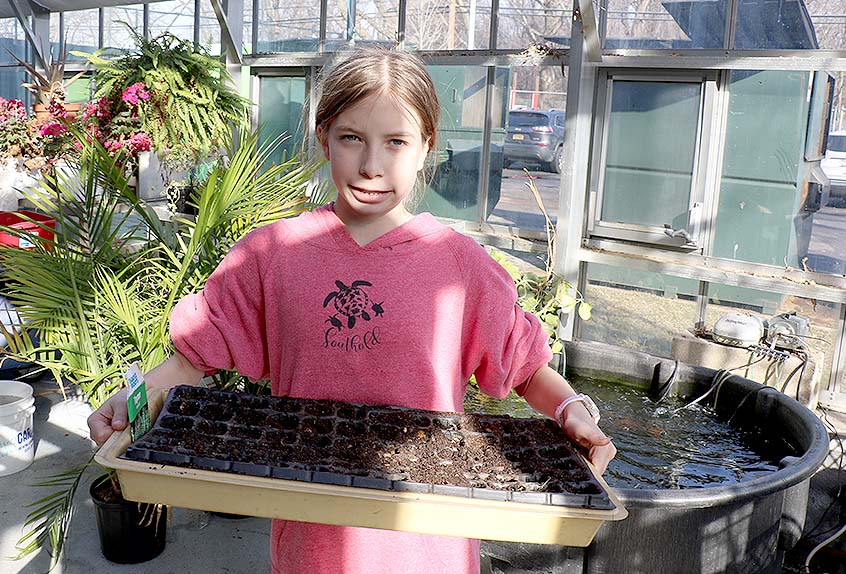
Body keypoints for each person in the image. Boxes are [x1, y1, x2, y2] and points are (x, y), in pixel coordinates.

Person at [88, 47, 616, 574]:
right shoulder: (273, 255)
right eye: (351, 139)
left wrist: (573, 413)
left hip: (428, 543)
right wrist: (131, 401)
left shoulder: (459, 266)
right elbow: (195, 356)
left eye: (396, 143)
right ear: (324, 139)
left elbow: (525, 369)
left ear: (426, 147)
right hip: (310, 543)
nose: (371, 165)